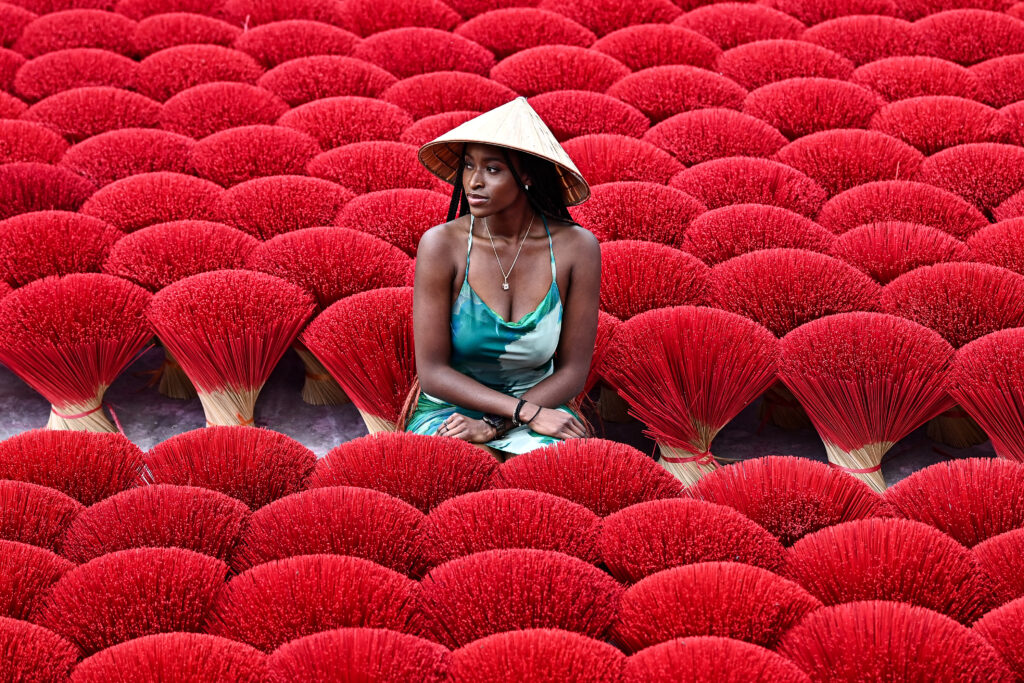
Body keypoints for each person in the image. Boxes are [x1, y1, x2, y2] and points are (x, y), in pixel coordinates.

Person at [400, 97, 601, 458]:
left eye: (492, 169)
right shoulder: (442, 246)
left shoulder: (576, 248)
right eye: (468, 166)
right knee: (470, 466)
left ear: (526, 176)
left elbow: (573, 370)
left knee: (554, 472)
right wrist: (519, 414)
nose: (473, 182)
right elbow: (432, 373)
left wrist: (502, 422)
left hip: (539, 407)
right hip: (452, 412)